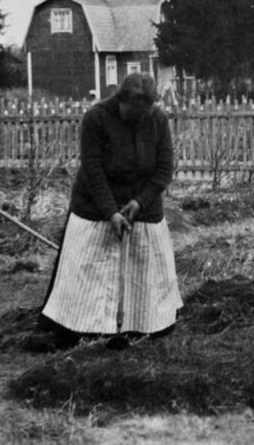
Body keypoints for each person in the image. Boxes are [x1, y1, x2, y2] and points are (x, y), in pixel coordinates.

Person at [38, 72, 181, 349]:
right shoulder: (96, 118)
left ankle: (141, 324)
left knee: (143, 274)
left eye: (144, 114)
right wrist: (110, 212)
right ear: (120, 101)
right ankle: (87, 326)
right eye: (133, 113)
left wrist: (140, 202)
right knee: (91, 272)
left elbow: (164, 169)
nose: (138, 119)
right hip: (96, 207)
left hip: (144, 208)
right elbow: (92, 171)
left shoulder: (158, 120)